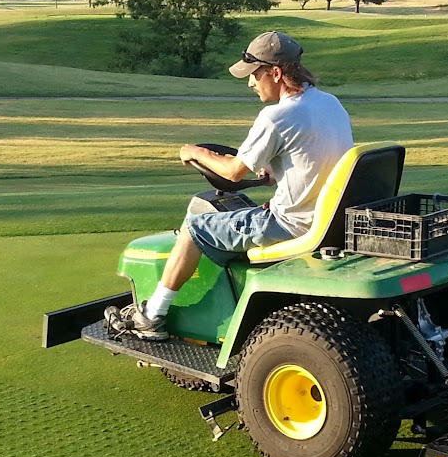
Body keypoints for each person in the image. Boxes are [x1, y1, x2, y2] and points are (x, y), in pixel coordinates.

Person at [105, 31, 354, 340]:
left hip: (292, 224)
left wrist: (197, 153)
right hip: (325, 218)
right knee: (231, 219)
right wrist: (275, 175)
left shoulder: (277, 116)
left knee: (195, 228)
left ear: (275, 73)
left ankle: (151, 315)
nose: (250, 82)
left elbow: (234, 172)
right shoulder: (329, 103)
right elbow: (315, 159)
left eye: (254, 74)